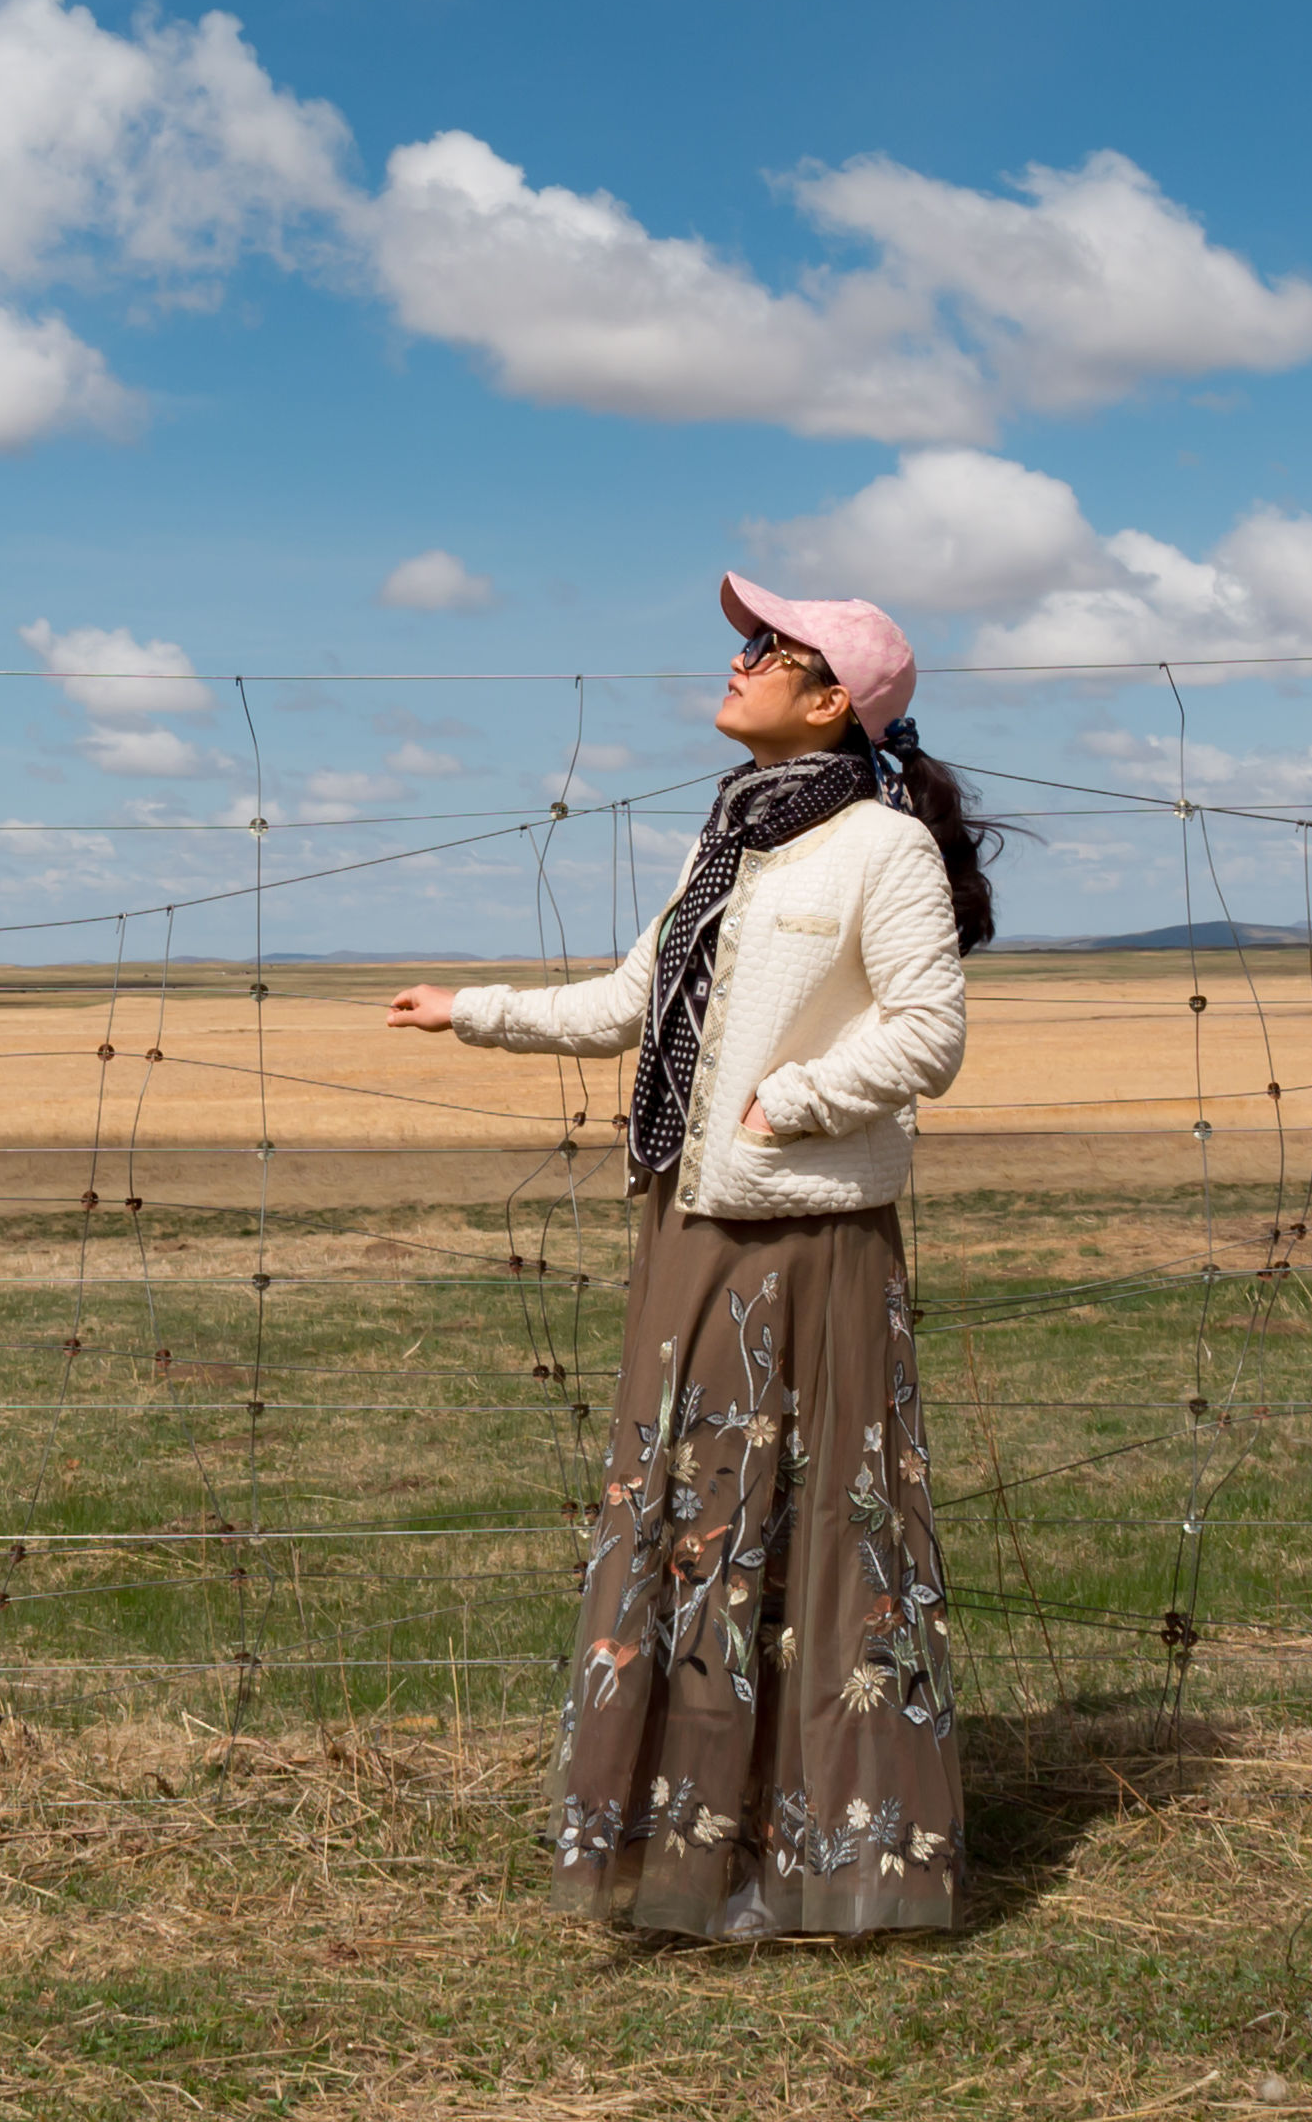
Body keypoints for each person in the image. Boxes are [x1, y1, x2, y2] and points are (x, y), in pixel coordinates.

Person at [384, 572, 1001, 1940]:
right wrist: (468, 1010)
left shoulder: (880, 851)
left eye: (763, 650)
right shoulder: (730, 842)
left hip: (800, 1230)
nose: (733, 664)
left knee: (812, 1525)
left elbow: (928, 1032)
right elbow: (630, 1000)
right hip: (688, 1222)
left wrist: (787, 1101)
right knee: (699, 1519)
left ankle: (826, 1849)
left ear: (829, 698)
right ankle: (692, 1841)